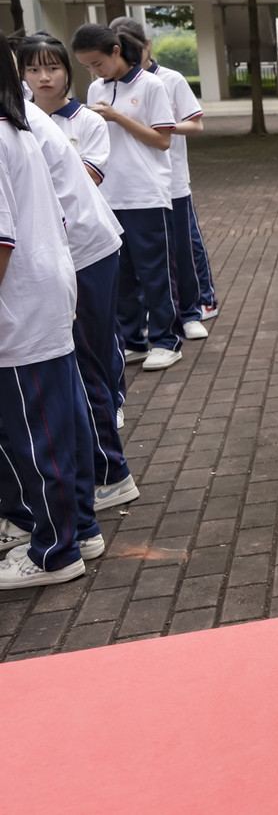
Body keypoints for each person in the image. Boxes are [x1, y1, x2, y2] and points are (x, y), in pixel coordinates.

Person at [16, 34, 138, 509]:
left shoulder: (36, 123)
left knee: (86, 366)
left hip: (83, 250)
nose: (43, 78)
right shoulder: (28, 119)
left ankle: (111, 473)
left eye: (52, 68)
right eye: (32, 70)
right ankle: (102, 470)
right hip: (71, 249)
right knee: (83, 366)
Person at [0, 53, 103, 588]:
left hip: (22, 306)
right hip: (41, 291)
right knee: (54, 426)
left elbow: (1, 241)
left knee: (37, 435)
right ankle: (75, 530)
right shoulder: (16, 126)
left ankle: (54, 551)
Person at [72, 23, 183, 371]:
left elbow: (163, 140)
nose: (94, 71)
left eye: (97, 63)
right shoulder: (95, 90)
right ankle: (133, 340)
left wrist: (117, 117)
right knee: (122, 276)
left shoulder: (152, 85)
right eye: (87, 66)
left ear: (116, 51)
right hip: (108, 195)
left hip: (146, 193)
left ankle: (167, 340)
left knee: (155, 272)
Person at [109, 17, 212, 341]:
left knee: (182, 247)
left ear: (145, 45)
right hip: (132, 185)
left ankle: (192, 311)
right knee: (138, 258)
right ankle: (148, 319)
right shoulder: (107, 84)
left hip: (171, 179)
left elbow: (195, 125)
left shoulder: (169, 79)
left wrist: (161, 125)